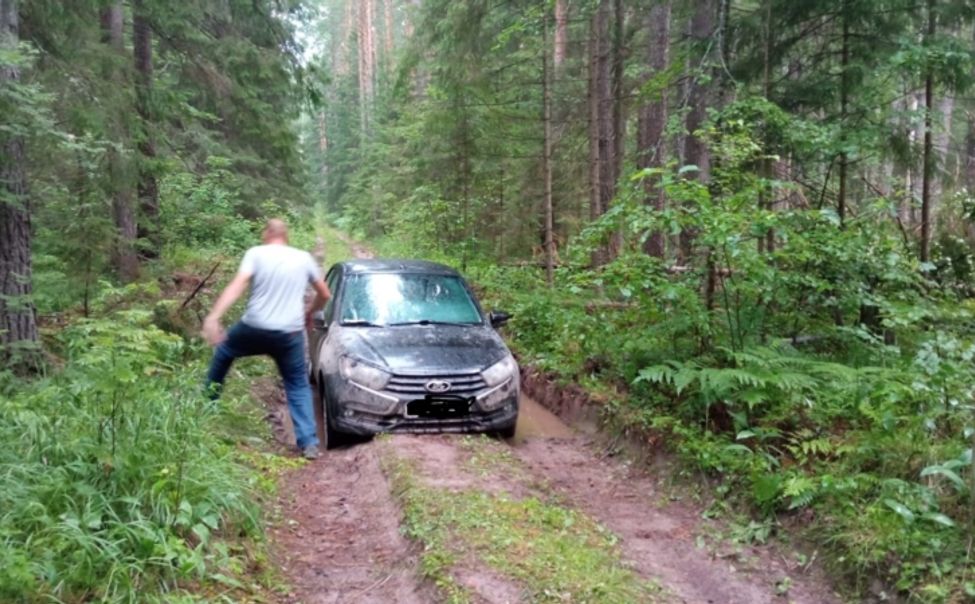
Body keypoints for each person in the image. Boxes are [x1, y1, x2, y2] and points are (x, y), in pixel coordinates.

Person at [202, 218, 331, 459]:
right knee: (297, 383)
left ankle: (206, 406)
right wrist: (310, 311)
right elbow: (324, 293)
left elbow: (237, 285)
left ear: (267, 233)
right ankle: (309, 443)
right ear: (286, 235)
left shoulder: (256, 253)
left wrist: (214, 316)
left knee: (224, 352)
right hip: (289, 333)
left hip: (255, 327)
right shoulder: (303, 258)